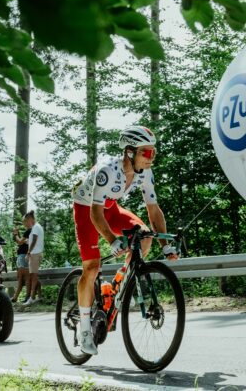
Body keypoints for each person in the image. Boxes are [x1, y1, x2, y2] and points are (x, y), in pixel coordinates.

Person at [71, 125, 179, 355]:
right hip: (87, 209)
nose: (151, 158)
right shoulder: (107, 171)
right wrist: (112, 240)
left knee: (145, 235)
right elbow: (95, 214)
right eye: (146, 152)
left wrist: (165, 245)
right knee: (91, 267)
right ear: (130, 152)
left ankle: (119, 284)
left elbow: (153, 209)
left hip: (110, 208)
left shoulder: (145, 172)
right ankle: (85, 328)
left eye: (154, 152)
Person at [22, 211, 44, 306]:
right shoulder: (37, 227)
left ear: (31, 218)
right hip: (35, 253)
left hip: (34, 254)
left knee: (33, 276)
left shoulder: (35, 227)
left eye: (26, 220)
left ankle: (32, 298)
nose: (26, 223)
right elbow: (33, 240)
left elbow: (34, 240)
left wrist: (28, 252)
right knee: (33, 276)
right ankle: (39, 296)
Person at [11, 226, 30, 303]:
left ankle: (27, 297)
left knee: (25, 278)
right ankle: (15, 297)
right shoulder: (25, 236)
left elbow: (19, 241)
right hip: (20, 257)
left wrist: (16, 234)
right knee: (20, 278)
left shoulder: (29, 235)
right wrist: (15, 233)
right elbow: (16, 240)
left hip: (24, 257)